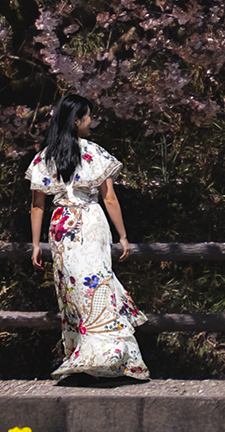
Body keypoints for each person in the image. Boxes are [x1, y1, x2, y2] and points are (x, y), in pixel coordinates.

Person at [27, 96, 149, 383]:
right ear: (77, 120)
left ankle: (82, 355)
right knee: (98, 283)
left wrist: (35, 244)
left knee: (73, 290)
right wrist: (123, 234)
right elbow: (109, 198)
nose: (91, 122)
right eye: (88, 117)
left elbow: (37, 206)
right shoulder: (94, 152)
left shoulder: (45, 157)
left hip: (61, 225)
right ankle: (112, 358)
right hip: (90, 222)